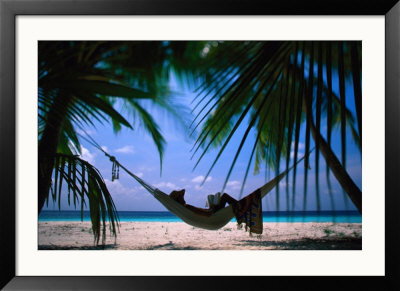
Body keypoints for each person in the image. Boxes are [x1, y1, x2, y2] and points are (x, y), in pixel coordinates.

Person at [169, 189, 238, 217]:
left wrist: (210, 208)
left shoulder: (184, 208)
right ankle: (239, 206)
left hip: (211, 210)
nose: (183, 197)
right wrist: (211, 209)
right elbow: (204, 213)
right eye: (181, 196)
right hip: (213, 212)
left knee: (211, 196)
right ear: (178, 199)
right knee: (225, 196)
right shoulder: (187, 206)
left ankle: (239, 206)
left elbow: (199, 210)